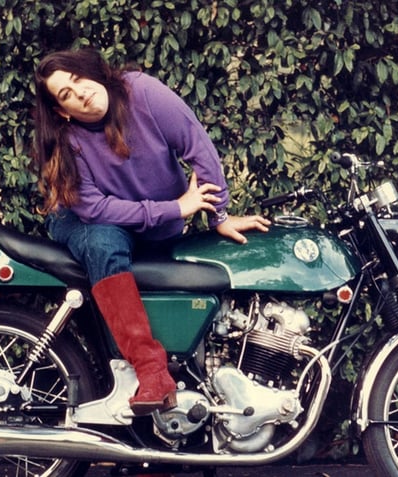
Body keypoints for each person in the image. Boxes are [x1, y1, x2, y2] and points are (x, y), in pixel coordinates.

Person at [32, 48, 270, 415]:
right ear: (62, 111)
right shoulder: (68, 142)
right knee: (103, 239)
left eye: (78, 79)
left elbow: (197, 144)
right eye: (65, 94)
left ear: (92, 73)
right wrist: (174, 208)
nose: (79, 92)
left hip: (154, 225)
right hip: (87, 223)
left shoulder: (141, 93)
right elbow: (95, 209)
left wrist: (218, 214)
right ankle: (152, 373)